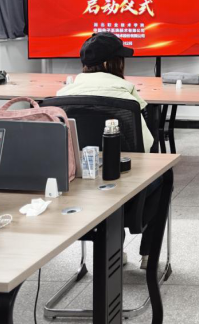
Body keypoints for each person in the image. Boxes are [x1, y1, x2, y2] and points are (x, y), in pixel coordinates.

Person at [57, 32, 157, 269]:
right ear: (108, 64)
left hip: (74, 188)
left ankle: (115, 251)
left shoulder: (60, 98)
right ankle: (148, 256)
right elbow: (146, 146)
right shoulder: (125, 97)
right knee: (163, 177)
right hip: (125, 189)